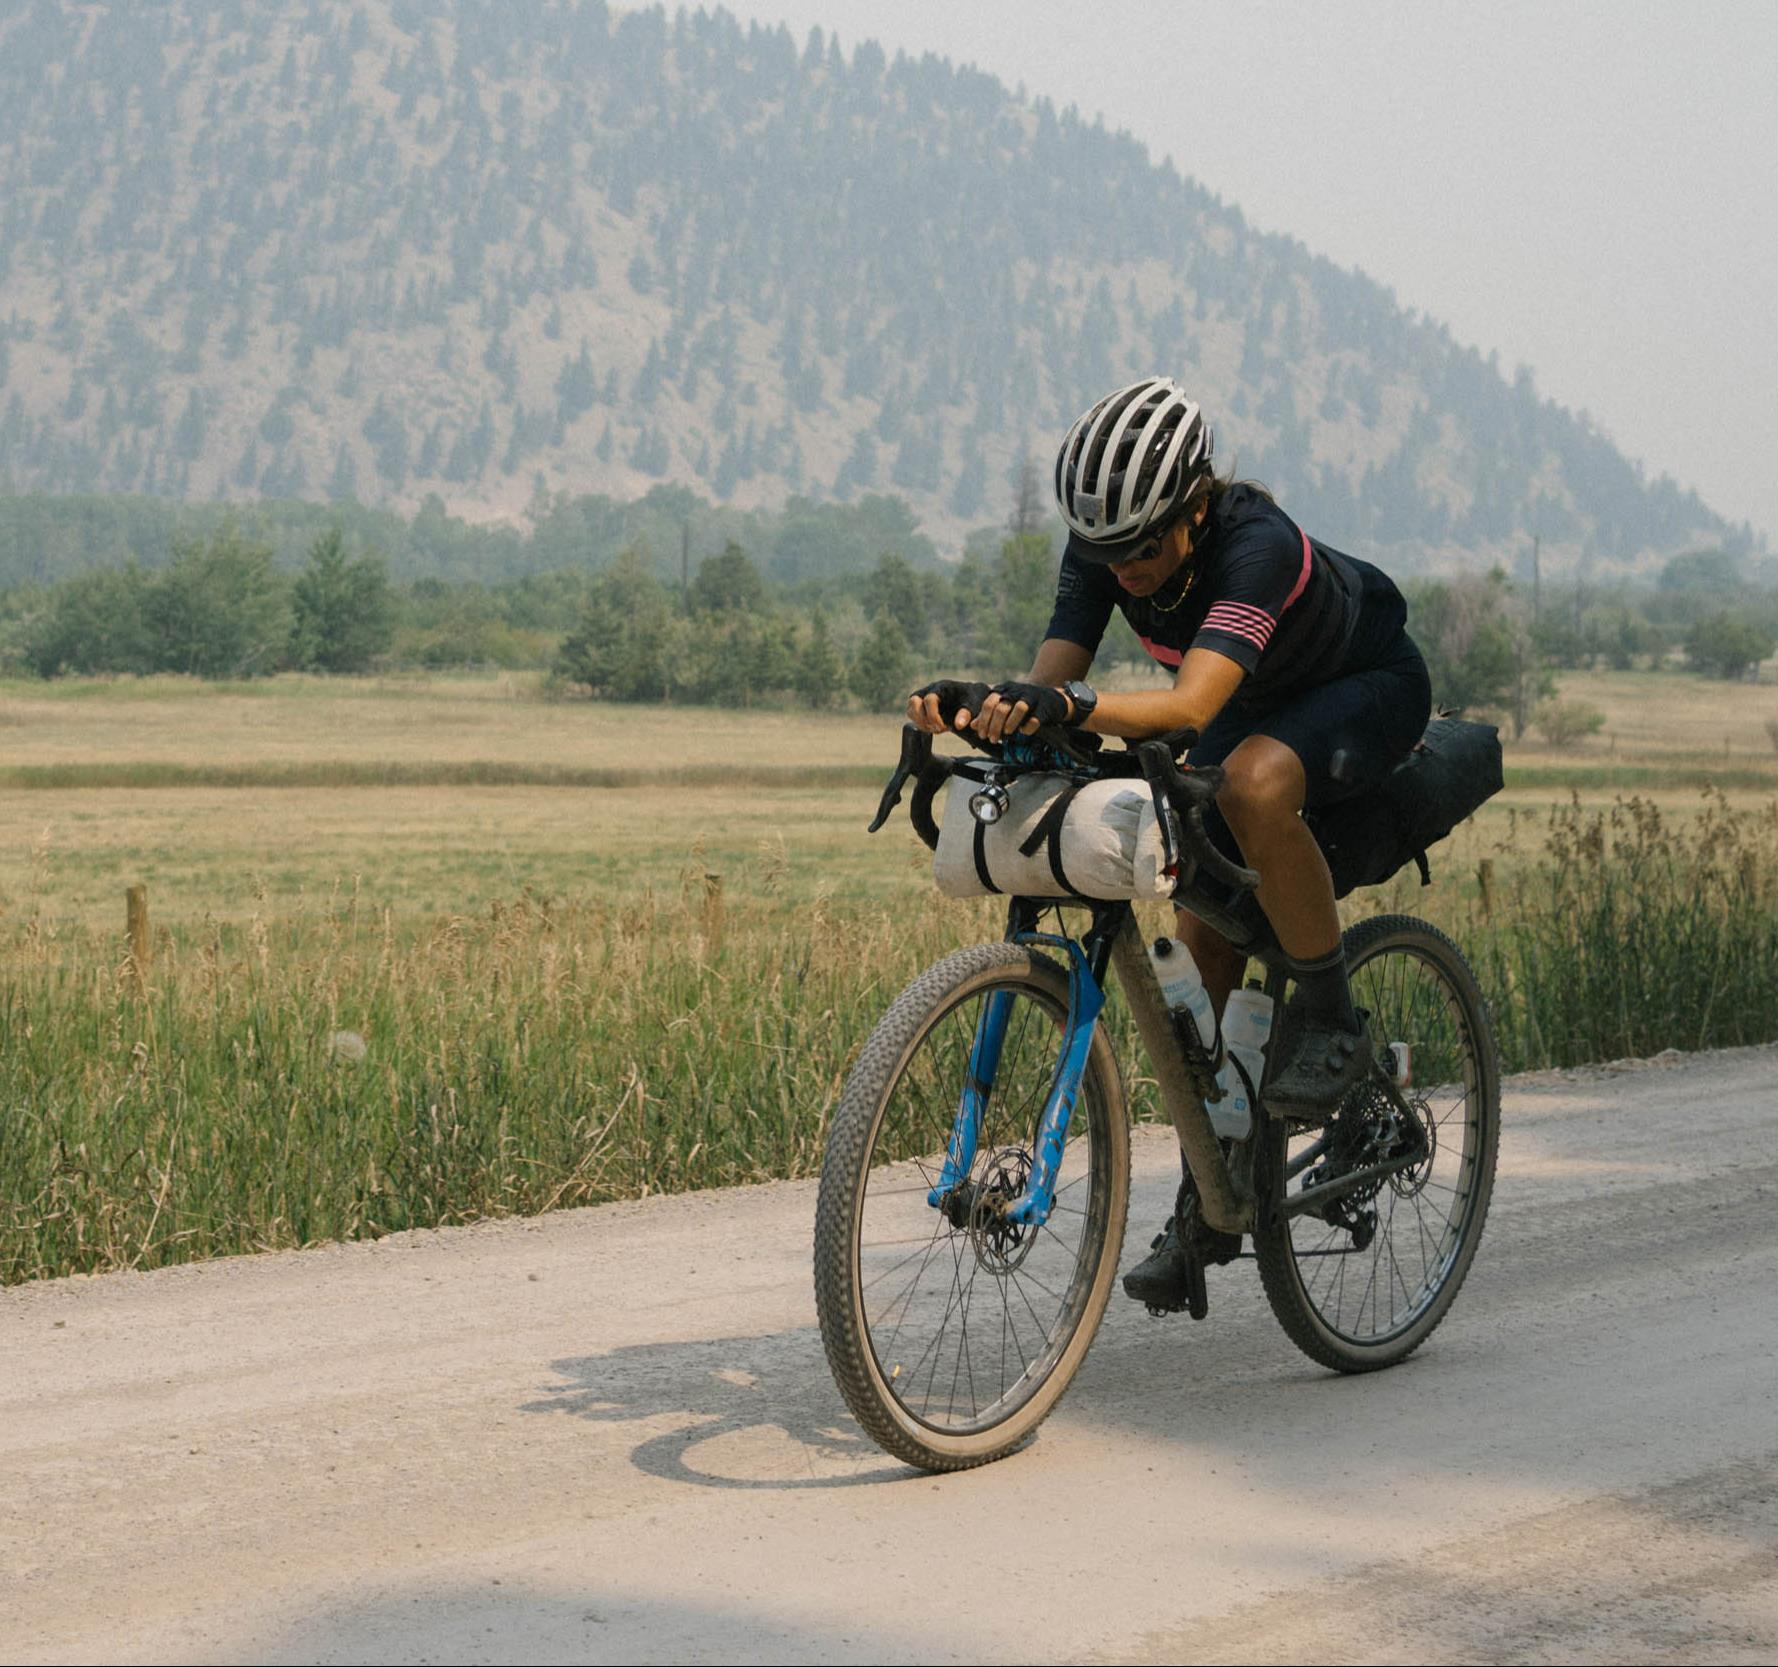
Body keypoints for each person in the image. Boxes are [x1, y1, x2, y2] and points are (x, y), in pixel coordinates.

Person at [907, 375, 1431, 1307]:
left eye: (1143, 547)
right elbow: (1053, 685)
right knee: (1203, 935)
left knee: (1253, 785)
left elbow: (1189, 706)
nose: (1125, 568)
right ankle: (1210, 1203)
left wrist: (1065, 704)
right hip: (1254, 696)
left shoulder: (1255, 546)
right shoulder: (1107, 549)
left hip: (1365, 684)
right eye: (1106, 551)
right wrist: (982, 710)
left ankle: (1329, 1013)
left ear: (1194, 506)